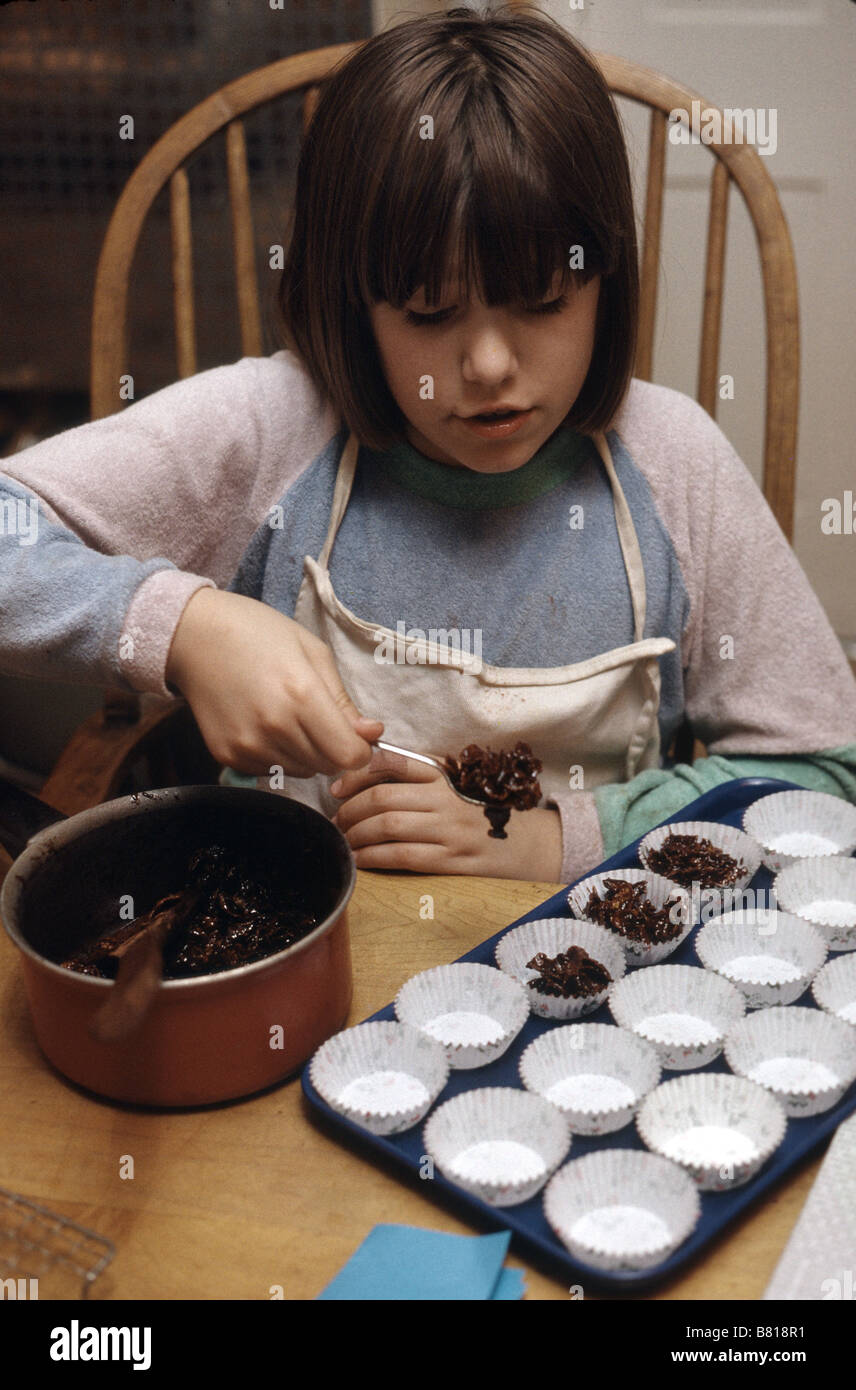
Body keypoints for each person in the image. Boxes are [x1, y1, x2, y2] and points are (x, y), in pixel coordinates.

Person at [1, 6, 855, 884]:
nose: (489, 365)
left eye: (544, 300)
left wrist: (559, 839)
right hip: (302, 954)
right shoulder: (272, 430)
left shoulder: (676, 463)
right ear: (350, 303)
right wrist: (181, 625)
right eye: (429, 313)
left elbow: (824, 776)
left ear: (608, 282)